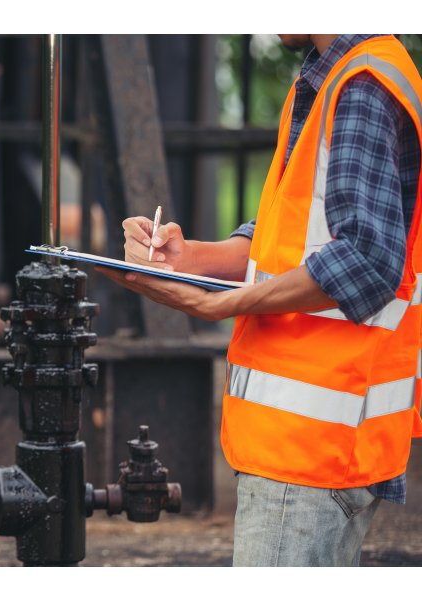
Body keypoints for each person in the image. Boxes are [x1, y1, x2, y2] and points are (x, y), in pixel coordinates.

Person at [96, 34, 422, 566]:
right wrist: (188, 257)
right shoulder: (326, 80)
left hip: (311, 448)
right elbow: (285, 237)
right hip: (310, 444)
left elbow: (366, 259)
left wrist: (223, 305)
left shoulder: (362, 86)